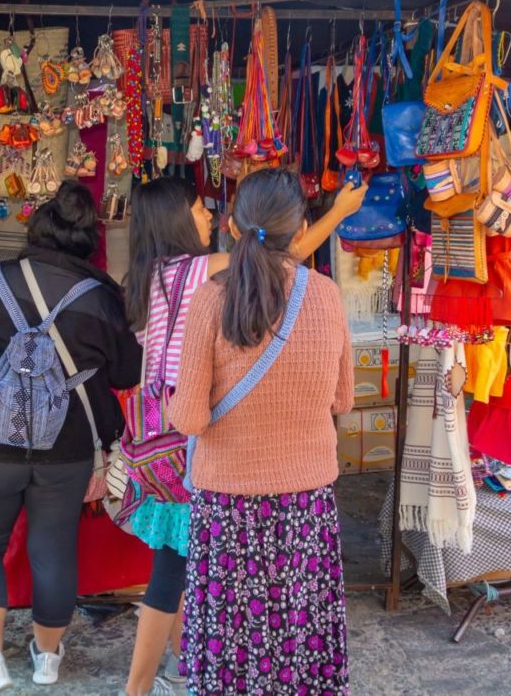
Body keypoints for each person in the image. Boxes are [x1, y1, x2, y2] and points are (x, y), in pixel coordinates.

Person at [118, 177, 365, 696]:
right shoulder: (325, 295)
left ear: (231, 227)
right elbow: (343, 400)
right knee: (298, 629)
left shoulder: (212, 299)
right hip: (306, 501)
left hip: (228, 503)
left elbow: (188, 418)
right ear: (300, 229)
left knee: (233, 634)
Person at [0, 182, 143, 696]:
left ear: (34, 231)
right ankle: (48, 658)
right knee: (53, 546)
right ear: (88, 241)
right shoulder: (104, 298)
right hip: (68, 448)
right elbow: (126, 374)